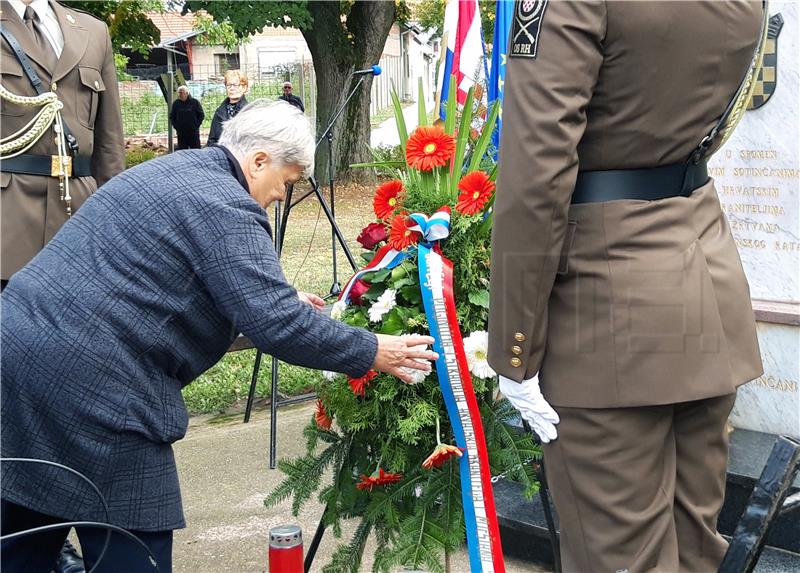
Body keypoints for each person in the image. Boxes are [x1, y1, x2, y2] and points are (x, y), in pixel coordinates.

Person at [0, 99, 438, 573]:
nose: (277, 198)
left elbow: (173, 272)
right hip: (96, 386)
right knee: (133, 547)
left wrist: (278, 296)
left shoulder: (178, 172)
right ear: (258, 161)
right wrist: (374, 350)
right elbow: (278, 326)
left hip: (20, 352)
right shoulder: (227, 203)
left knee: (23, 535)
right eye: (284, 184)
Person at [488, 1, 764, 572]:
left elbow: (536, 171)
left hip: (605, 307)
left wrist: (514, 347)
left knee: (616, 559)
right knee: (696, 552)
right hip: (704, 274)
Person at [0, 0, 124, 288]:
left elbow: (109, 143)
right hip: (8, 217)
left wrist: (115, 220)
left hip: (79, 215)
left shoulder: (92, 30)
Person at [206, 69, 248, 146]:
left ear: (244, 88)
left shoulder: (248, 112)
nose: (231, 88)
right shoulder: (219, 111)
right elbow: (211, 139)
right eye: (228, 85)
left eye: (235, 85)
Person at [169, 85, 204, 150]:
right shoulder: (176, 104)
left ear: (187, 93)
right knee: (182, 152)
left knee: (196, 151)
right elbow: (172, 116)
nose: (179, 94)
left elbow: (201, 115)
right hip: (181, 133)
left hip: (193, 132)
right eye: (179, 93)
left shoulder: (194, 102)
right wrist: (176, 126)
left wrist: (196, 125)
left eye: (181, 92)